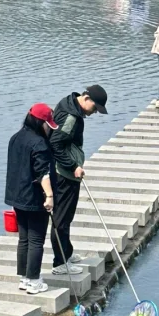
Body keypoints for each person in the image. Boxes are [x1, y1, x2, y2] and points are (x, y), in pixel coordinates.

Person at [49, 85, 107, 273]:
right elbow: (55, 144)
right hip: (64, 174)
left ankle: (67, 252)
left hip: (65, 171)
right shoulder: (71, 117)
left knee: (67, 216)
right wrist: (73, 166)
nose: (95, 113)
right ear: (87, 98)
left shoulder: (69, 102)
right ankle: (60, 263)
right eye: (95, 108)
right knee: (61, 218)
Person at [5, 104, 57, 295]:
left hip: (17, 197)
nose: (48, 128)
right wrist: (50, 197)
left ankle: (25, 278)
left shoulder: (15, 138)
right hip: (35, 198)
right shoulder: (39, 143)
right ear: (39, 122)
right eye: (47, 124)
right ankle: (34, 281)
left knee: (24, 239)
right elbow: (43, 173)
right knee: (36, 240)